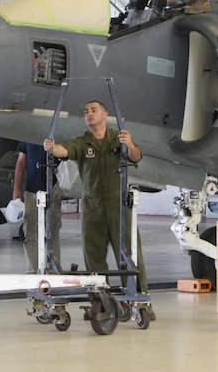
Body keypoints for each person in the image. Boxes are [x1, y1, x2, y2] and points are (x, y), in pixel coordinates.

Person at [44, 101, 147, 291]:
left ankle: (139, 300)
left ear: (105, 114)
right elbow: (65, 150)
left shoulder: (119, 138)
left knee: (130, 255)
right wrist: (52, 147)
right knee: (94, 258)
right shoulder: (82, 142)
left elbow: (136, 156)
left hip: (120, 206)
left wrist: (130, 145)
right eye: (86, 112)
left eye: (94, 110)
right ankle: (100, 302)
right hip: (92, 208)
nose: (89, 114)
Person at [13, 141, 62, 273]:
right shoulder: (28, 136)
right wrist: (16, 188)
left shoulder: (55, 135)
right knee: (30, 233)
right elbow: (21, 162)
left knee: (53, 231)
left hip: (54, 191)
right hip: (32, 191)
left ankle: (54, 268)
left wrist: (62, 189)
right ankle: (32, 270)